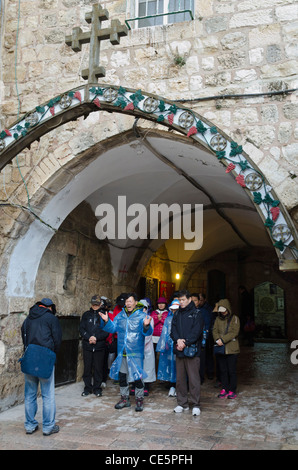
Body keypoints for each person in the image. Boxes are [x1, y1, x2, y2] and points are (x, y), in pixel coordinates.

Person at [99, 293, 153, 412]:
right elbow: (113, 329)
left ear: (135, 302)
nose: (128, 304)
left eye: (130, 301)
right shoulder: (120, 316)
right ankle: (124, 399)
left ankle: (139, 399)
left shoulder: (142, 316)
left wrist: (146, 326)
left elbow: (147, 333)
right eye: (126, 302)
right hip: (122, 352)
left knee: (137, 377)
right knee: (122, 377)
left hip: (135, 353)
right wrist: (107, 321)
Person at [21, 298, 62, 436]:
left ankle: (30, 425)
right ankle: (48, 427)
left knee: (30, 394)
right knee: (48, 395)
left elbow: (24, 336)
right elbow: (57, 339)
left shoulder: (28, 318)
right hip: (45, 358)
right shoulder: (51, 318)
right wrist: (52, 354)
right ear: (50, 307)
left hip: (30, 357)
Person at [170, 290, 204, 416]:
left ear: (189, 299)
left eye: (183, 300)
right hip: (179, 350)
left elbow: (197, 332)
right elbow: (173, 330)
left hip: (192, 351)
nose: (181, 302)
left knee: (194, 379)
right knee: (180, 379)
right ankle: (182, 403)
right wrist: (178, 340)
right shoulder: (177, 313)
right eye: (180, 300)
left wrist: (186, 342)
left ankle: (195, 404)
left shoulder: (197, 313)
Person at [79, 295, 109, 397]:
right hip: (88, 345)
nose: (95, 306)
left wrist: (96, 338)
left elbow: (107, 331)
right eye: (93, 304)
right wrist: (88, 337)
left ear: (100, 304)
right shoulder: (86, 315)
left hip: (99, 345)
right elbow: (81, 329)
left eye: (97, 304)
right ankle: (87, 387)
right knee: (87, 367)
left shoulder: (104, 315)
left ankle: (97, 388)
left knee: (98, 368)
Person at [213, 298, 240, 399]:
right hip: (220, 348)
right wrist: (217, 340)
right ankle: (224, 388)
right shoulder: (217, 319)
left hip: (231, 349)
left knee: (231, 370)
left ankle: (232, 390)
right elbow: (214, 330)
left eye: (224, 309)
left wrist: (222, 340)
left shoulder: (235, 319)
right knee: (222, 370)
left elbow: (234, 332)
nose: (223, 312)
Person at [156, 299, 180, 397]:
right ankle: (172, 385)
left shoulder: (183, 318)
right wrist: (164, 344)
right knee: (171, 366)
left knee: (180, 366)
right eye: (173, 309)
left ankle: (180, 386)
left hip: (179, 345)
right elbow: (164, 333)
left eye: (176, 309)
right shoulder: (168, 319)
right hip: (170, 347)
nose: (174, 311)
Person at [192, 293, 213, 382]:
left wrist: (205, 338)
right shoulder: (187, 311)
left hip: (201, 339)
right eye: (192, 300)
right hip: (190, 340)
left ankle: (200, 377)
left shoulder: (204, 312)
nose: (194, 302)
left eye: (196, 300)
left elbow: (207, 326)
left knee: (201, 359)